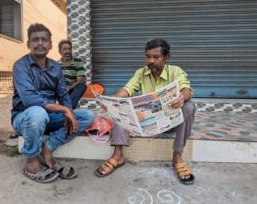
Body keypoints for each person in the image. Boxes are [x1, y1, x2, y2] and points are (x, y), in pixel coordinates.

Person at [95, 38, 196, 185]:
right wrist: (113, 100)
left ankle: (177, 156)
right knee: (120, 105)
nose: (151, 61)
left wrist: (182, 97)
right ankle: (118, 155)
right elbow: (127, 90)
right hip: (147, 123)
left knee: (189, 106)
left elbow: (187, 89)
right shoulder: (141, 73)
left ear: (166, 57)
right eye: (148, 56)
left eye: (156, 57)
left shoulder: (176, 71)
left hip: (169, 123)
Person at [11, 23, 94, 183]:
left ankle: (48, 147)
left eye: (44, 39)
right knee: (37, 112)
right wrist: (63, 109)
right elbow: (29, 100)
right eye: (35, 40)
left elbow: (63, 94)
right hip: (25, 118)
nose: (40, 43)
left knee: (86, 116)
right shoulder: (20, 66)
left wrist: (68, 110)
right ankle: (32, 161)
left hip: (49, 117)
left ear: (50, 44)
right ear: (28, 44)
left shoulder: (56, 67)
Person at [58, 40, 87, 109]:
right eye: (65, 49)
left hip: (72, 90)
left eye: (69, 49)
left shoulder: (78, 62)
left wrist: (69, 87)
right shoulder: (56, 65)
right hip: (61, 90)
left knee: (82, 85)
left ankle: (68, 107)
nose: (68, 51)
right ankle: (68, 108)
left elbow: (80, 80)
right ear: (60, 51)